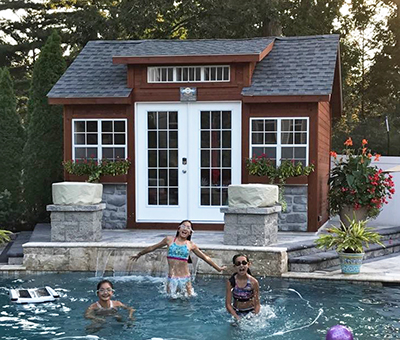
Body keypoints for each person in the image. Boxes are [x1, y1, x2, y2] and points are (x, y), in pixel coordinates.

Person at [130, 220, 226, 296]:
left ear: (190, 233)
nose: (185, 229)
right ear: (178, 229)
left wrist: (218, 268)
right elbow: (153, 247)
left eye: (188, 228)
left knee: (188, 303)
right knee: (170, 301)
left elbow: (205, 257)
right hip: (172, 278)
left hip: (185, 278)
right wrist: (139, 254)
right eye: (183, 226)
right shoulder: (169, 240)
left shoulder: (190, 245)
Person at [225, 254, 260, 320]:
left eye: (244, 263)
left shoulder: (253, 282)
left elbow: (257, 304)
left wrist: (255, 316)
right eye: (238, 264)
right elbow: (228, 305)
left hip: (250, 311)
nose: (241, 265)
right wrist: (236, 317)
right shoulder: (231, 282)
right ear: (234, 266)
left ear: (248, 264)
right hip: (236, 311)